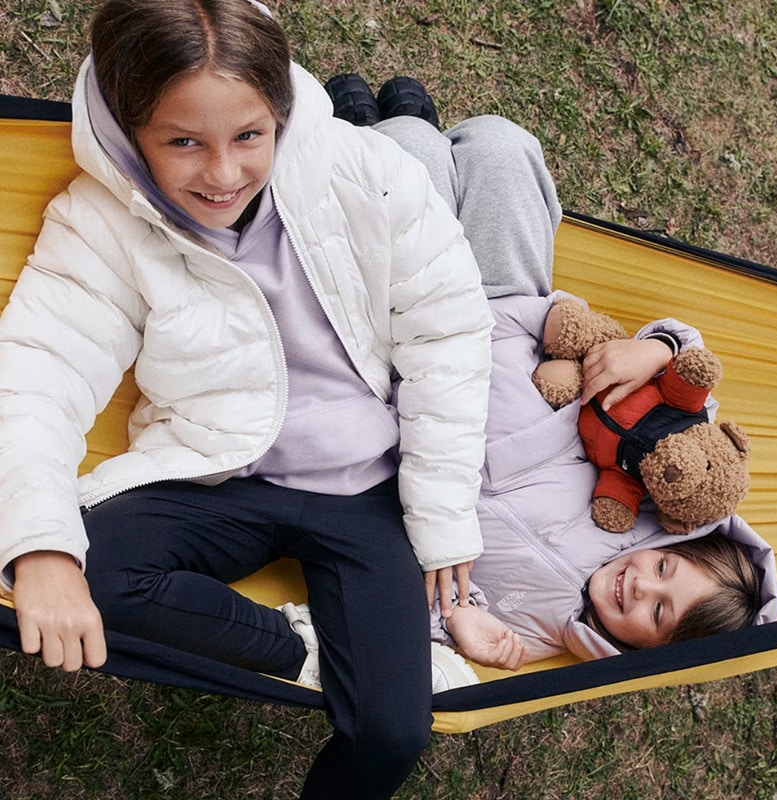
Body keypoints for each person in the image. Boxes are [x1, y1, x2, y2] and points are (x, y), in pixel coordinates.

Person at [0, 3, 497, 798]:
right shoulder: (100, 223)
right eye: (183, 143)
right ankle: (306, 650)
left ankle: (364, 668)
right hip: (216, 470)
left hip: (363, 487)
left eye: (248, 136)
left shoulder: (365, 171)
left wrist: (441, 518)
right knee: (88, 574)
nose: (223, 173)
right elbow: (37, 374)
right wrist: (41, 549)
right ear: (130, 128)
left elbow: (449, 336)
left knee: (390, 732)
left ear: (281, 112)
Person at [321, 73, 777, 673]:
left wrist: (456, 620)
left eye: (658, 613)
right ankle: (411, 142)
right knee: (500, 146)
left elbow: (412, 597)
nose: (641, 586)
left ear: (649, 651)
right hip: (511, 315)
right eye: (665, 568)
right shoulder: (669, 501)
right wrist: (660, 348)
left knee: (407, 148)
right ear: (680, 543)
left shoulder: (538, 632)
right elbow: (689, 403)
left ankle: (371, 132)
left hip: (407, 358)